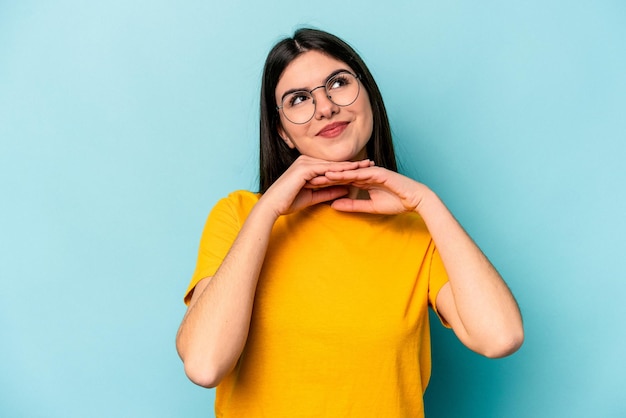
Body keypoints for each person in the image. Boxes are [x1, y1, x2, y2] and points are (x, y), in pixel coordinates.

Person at [176, 28, 524, 417]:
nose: (325, 108)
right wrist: (268, 210)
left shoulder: (417, 230)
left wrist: (427, 202)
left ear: (368, 97)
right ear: (282, 133)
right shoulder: (239, 215)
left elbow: (501, 337)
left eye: (338, 84)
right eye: (299, 99)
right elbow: (205, 364)